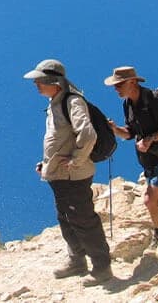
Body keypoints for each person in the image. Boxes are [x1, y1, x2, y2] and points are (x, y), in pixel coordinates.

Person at [24, 58, 113, 286]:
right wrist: (46, 164)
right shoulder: (55, 103)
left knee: (83, 219)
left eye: (40, 81)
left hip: (74, 175)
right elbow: (59, 141)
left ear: (54, 81)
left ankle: (102, 268)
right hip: (59, 176)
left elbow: (88, 134)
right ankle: (77, 261)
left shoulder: (72, 102)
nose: (36, 85)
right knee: (65, 217)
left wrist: (76, 160)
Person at [103, 66, 158, 251]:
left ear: (132, 82)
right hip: (150, 160)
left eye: (119, 84)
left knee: (149, 199)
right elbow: (130, 133)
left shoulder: (154, 100)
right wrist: (115, 129)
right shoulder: (128, 105)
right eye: (115, 85)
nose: (116, 88)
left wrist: (150, 139)